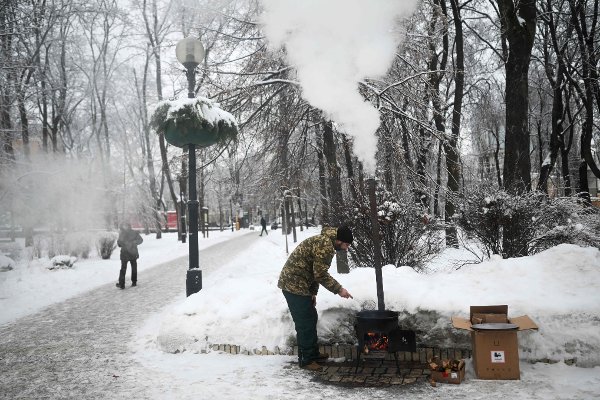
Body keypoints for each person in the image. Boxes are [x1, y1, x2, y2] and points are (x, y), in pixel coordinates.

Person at [277, 225, 354, 371]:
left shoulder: (325, 242)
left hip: (301, 284)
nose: (346, 249)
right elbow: (320, 274)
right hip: (293, 285)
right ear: (339, 241)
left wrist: (313, 293)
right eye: (346, 245)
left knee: (311, 318)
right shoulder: (325, 245)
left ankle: (313, 354)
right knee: (305, 323)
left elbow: (314, 271)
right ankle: (306, 360)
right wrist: (339, 290)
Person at [115, 222, 143, 289]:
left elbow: (141, 240)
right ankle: (123, 284)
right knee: (124, 268)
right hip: (127, 253)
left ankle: (132, 282)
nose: (125, 227)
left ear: (128, 226)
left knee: (130, 268)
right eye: (124, 226)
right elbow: (119, 243)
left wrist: (133, 243)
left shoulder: (133, 233)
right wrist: (121, 243)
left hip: (130, 252)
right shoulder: (122, 233)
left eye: (126, 226)